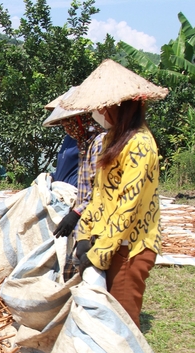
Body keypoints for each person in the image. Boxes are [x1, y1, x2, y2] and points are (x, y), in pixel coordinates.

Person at [60, 59, 169, 328]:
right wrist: (85, 234)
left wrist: (99, 253)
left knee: (121, 323)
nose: (98, 112)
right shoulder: (111, 140)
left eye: (103, 107)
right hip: (105, 240)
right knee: (100, 318)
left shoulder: (141, 145)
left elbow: (127, 206)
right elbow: (100, 196)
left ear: (121, 107)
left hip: (130, 247)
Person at [43, 87, 106, 238]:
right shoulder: (83, 142)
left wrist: (77, 212)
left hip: (92, 216)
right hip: (80, 210)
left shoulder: (99, 142)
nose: (66, 128)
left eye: (68, 123)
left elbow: (99, 186)